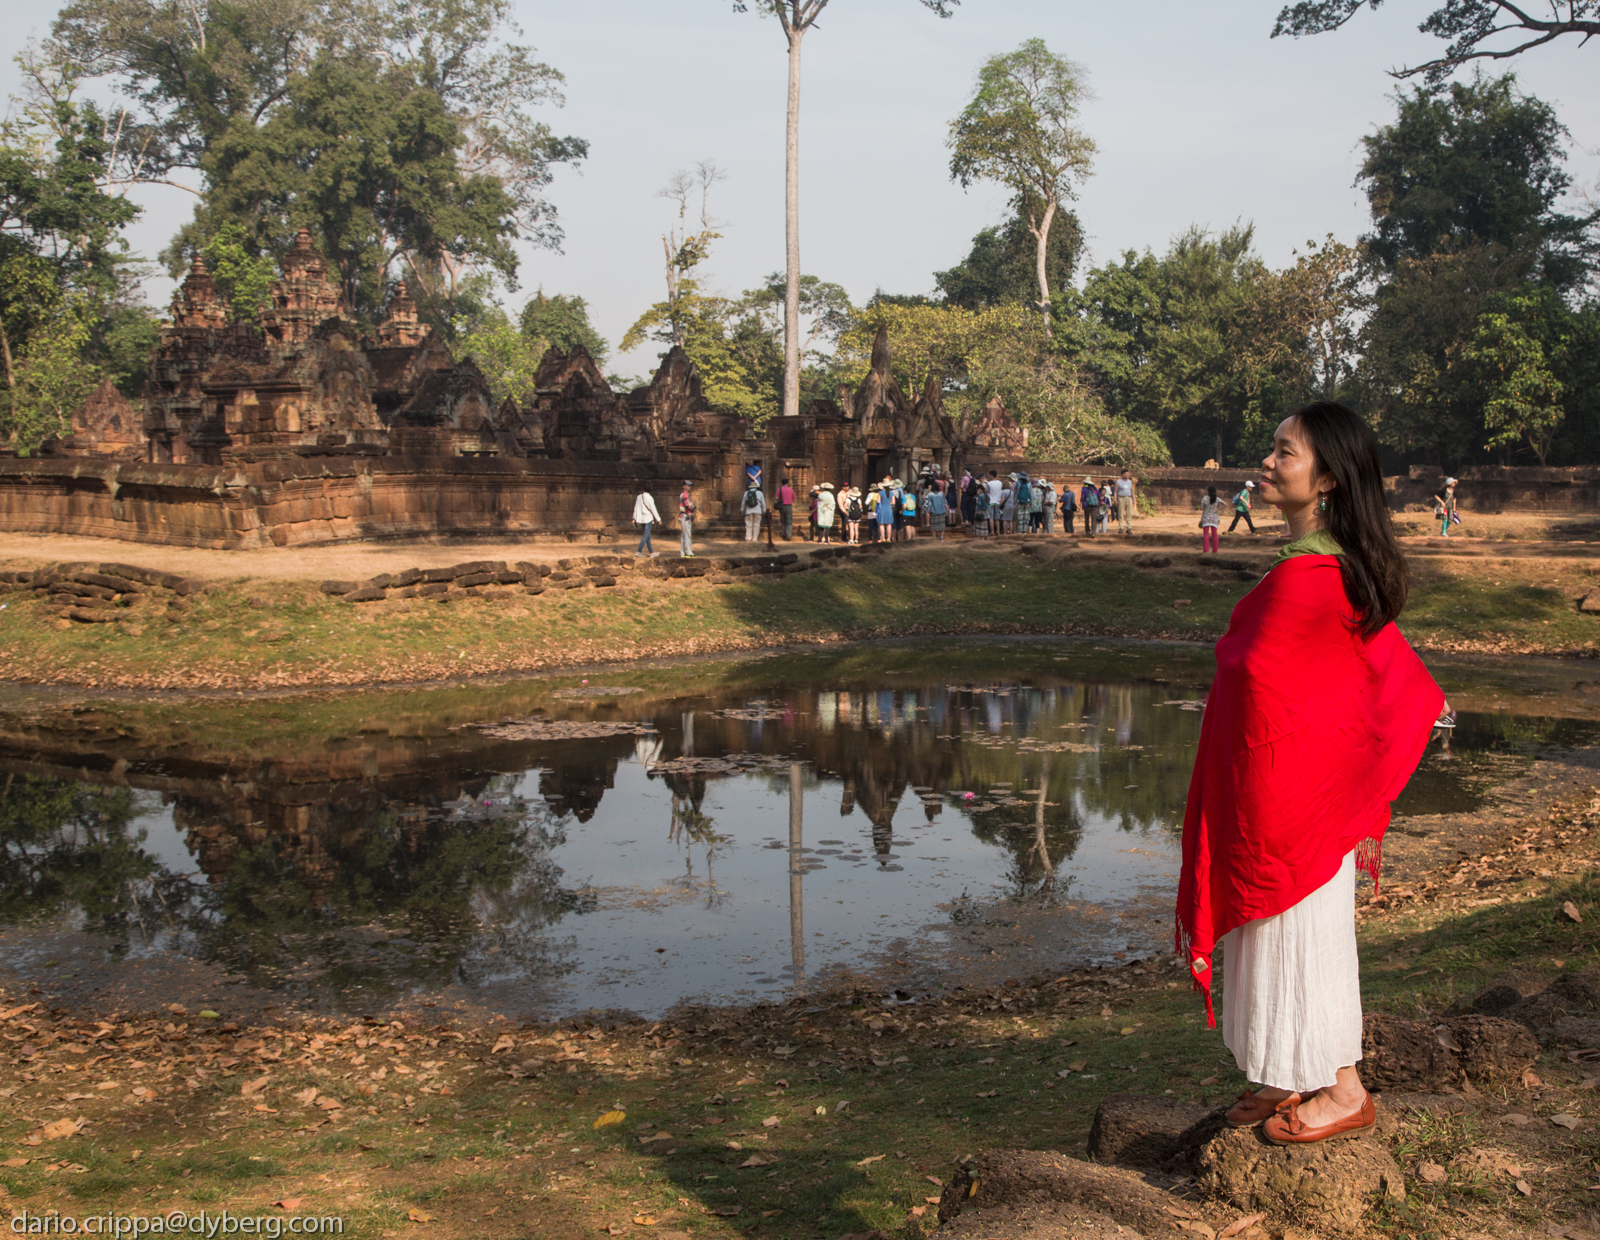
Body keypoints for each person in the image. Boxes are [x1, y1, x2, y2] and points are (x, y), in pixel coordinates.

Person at [1176, 401, 1444, 1147]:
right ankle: (1286, 1071)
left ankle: (1345, 1087)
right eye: (1270, 449)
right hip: (1286, 789)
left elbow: (1276, 673)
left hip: (1300, 798)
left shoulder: (1314, 576)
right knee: (1273, 932)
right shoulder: (1317, 566)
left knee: (1304, 934)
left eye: (1283, 453)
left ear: (1325, 479)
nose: (1266, 462)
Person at [633, 483, 663, 557]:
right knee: (645, 535)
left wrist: (634, 517)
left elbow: (636, 507)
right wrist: (658, 519)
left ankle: (651, 552)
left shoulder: (639, 497)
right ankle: (639, 551)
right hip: (648, 518)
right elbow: (653, 509)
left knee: (647, 535)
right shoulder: (649, 498)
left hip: (641, 518)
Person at [1199, 484, 1223, 553]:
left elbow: (1201, 508)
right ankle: (1215, 550)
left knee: (1206, 534)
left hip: (1206, 517)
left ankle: (1206, 550)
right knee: (1214, 534)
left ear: (1208, 492)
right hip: (1214, 518)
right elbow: (1225, 504)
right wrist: (1218, 508)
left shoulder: (1205, 498)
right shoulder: (1217, 499)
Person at [677, 480, 696, 557]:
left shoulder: (687, 495)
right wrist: (694, 507)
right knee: (687, 535)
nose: (689, 487)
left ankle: (683, 552)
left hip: (685, 516)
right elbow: (689, 506)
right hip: (685, 516)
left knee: (684, 535)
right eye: (688, 485)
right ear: (684, 486)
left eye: (690, 485)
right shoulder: (684, 495)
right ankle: (688, 552)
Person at [1116, 468, 1137, 535]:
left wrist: (1134, 499)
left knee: (1129, 514)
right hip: (1121, 498)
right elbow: (1115, 492)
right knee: (1121, 513)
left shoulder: (1129, 481)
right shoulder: (1118, 482)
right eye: (1127, 473)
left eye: (1128, 473)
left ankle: (1128, 528)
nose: (1128, 474)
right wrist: (1115, 500)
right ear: (1123, 474)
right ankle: (1121, 528)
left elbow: (1131, 491)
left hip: (1129, 498)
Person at [876, 478, 896, 543]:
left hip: (882, 509)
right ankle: (889, 538)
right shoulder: (891, 493)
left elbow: (878, 501)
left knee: (881, 524)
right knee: (889, 524)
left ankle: (883, 538)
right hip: (889, 509)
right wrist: (888, 502)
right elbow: (893, 502)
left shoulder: (880, 492)